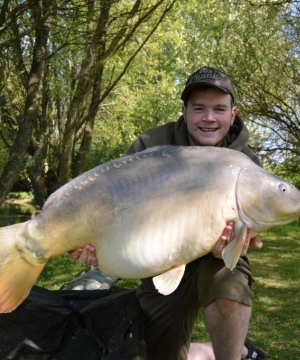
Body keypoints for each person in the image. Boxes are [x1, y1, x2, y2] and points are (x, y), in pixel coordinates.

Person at [68, 67, 270, 360]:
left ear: (233, 113)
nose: (209, 118)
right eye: (199, 108)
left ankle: (232, 354)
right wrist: (93, 241)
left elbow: (250, 228)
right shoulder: (151, 145)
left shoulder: (246, 164)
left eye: (219, 109)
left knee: (229, 289)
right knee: (159, 353)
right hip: (160, 259)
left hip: (219, 260)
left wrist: (237, 242)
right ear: (185, 111)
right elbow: (115, 201)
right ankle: (226, 350)